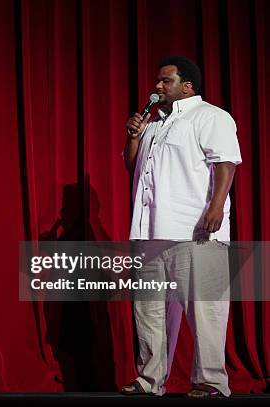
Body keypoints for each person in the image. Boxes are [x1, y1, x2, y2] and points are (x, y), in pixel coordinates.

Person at [121, 56, 241, 398]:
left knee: (206, 310)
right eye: (158, 81)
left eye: (165, 81)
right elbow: (134, 168)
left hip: (194, 229)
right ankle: (149, 380)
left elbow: (226, 162)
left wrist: (216, 207)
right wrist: (133, 137)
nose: (157, 87)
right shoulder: (154, 126)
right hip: (149, 232)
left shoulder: (211, 117)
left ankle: (211, 381)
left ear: (187, 86)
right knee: (149, 311)